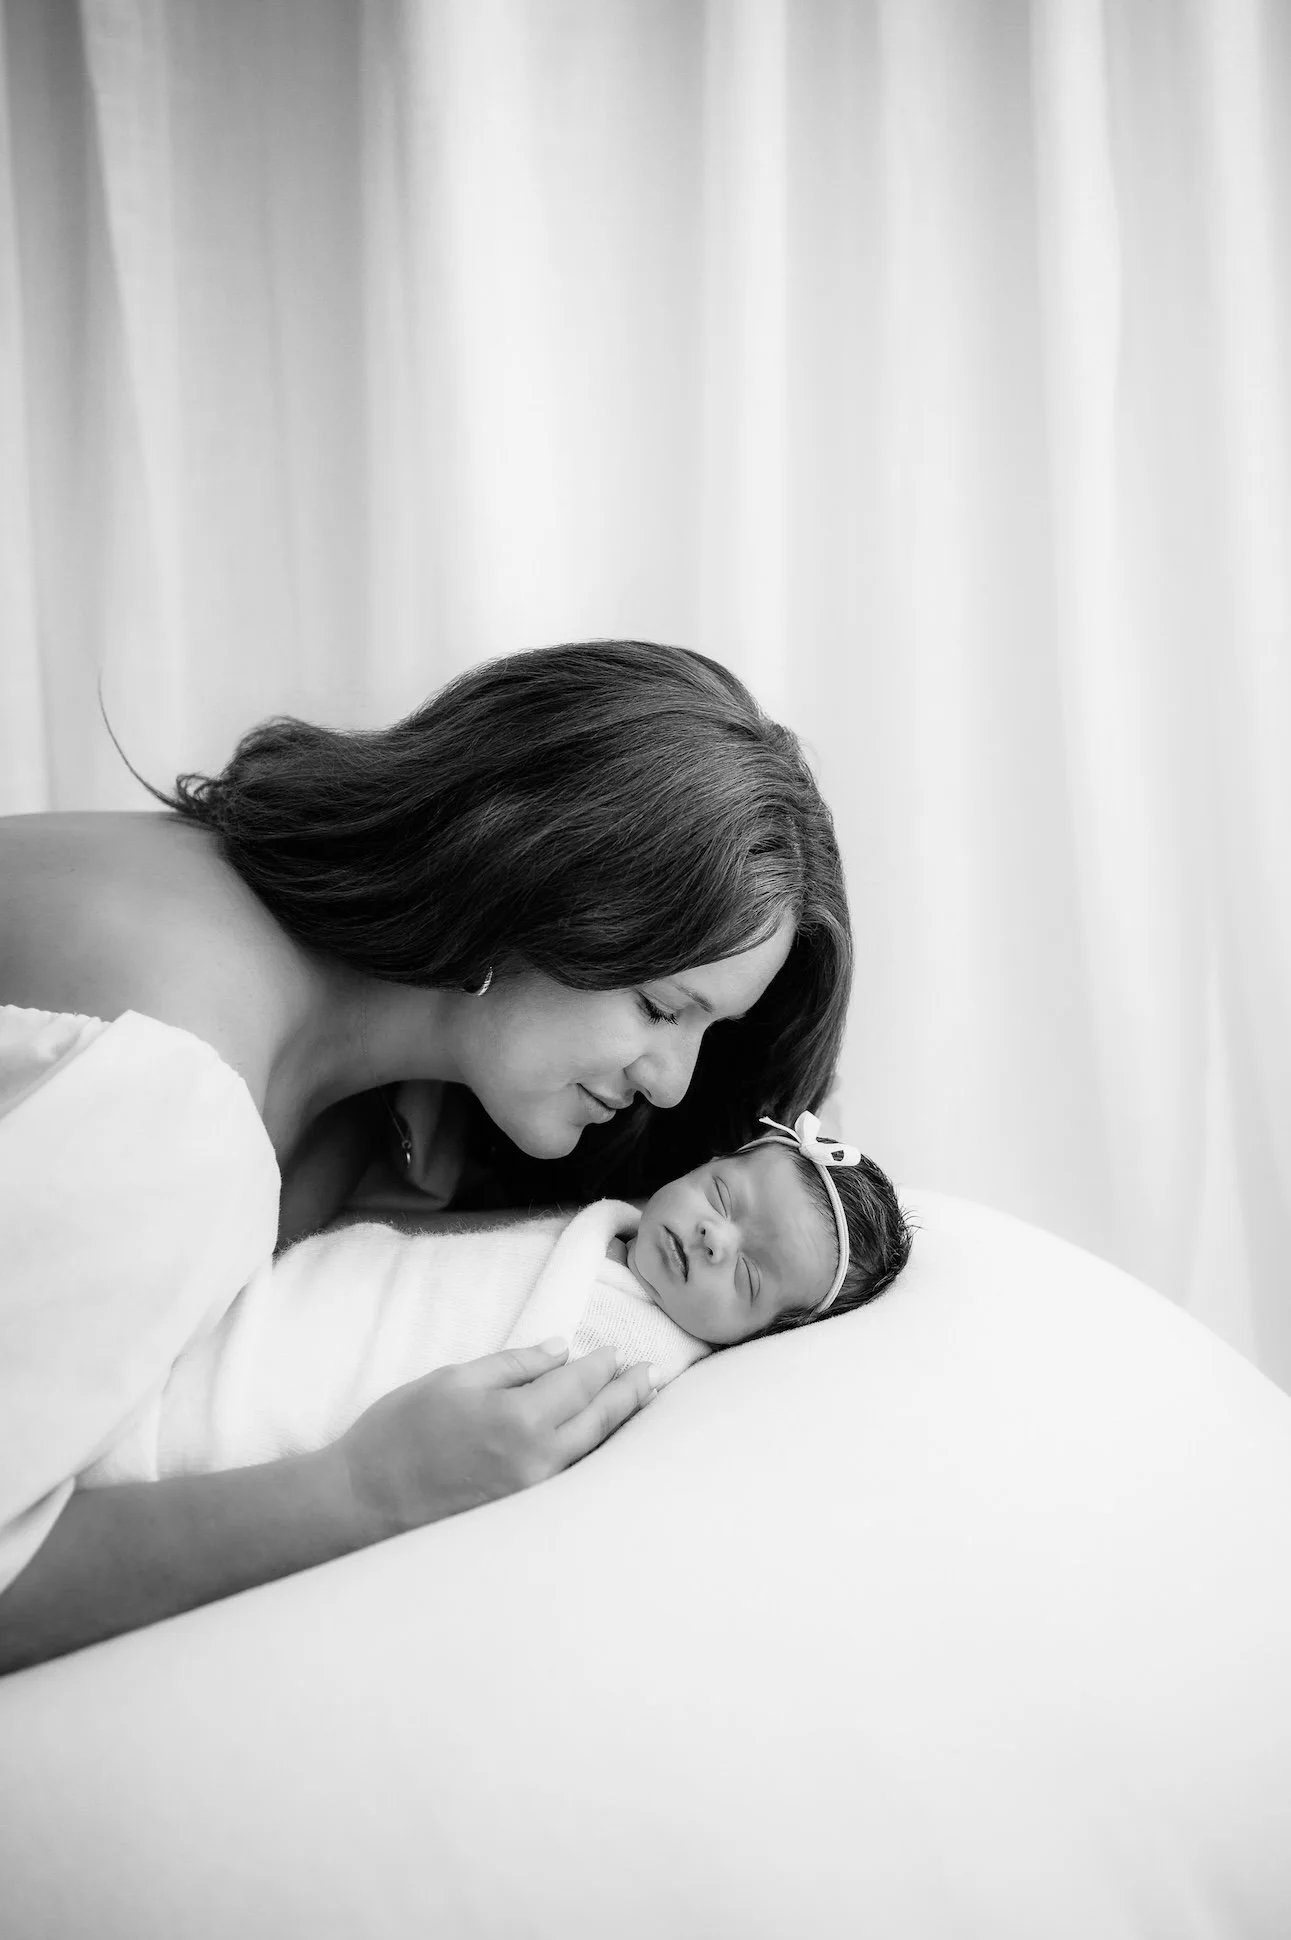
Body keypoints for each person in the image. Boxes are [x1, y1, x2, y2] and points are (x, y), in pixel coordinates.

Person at [0, 640, 852, 1671]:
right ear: (526, 881)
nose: (671, 1082)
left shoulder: (336, 1045)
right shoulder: (174, 1101)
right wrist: (368, 1487)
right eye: (661, 1007)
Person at [80, 1112, 913, 1490]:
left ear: (768, 1335)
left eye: (748, 1276)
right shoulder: (593, 1230)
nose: (711, 1238)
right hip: (254, 1303)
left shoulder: (634, 1361)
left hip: (259, 1405)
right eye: (722, 1197)